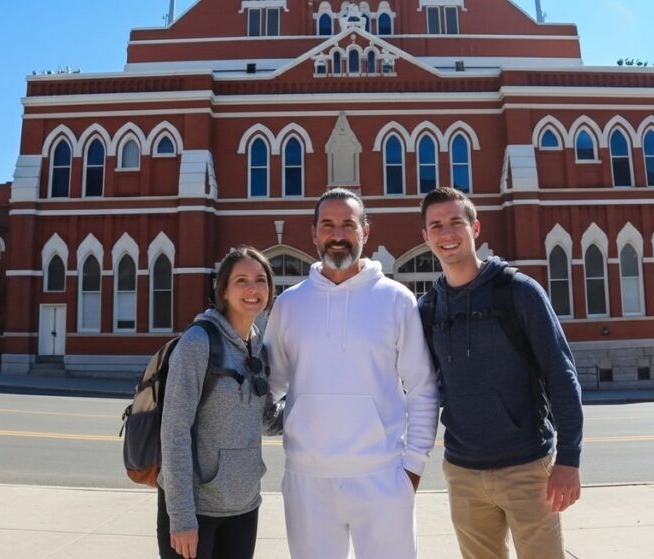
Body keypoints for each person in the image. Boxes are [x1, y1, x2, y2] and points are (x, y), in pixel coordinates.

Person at [265, 188, 440, 558]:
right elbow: (268, 388)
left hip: (382, 476)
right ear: (314, 233)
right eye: (328, 225)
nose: (338, 235)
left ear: (365, 231)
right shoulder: (289, 304)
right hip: (306, 479)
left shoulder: (395, 299)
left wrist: (412, 468)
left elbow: (422, 387)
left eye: (348, 224)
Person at [419, 187, 584, 559]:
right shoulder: (427, 309)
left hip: (527, 468)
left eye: (456, 222)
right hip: (462, 472)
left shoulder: (519, 292)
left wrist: (569, 458)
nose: (447, 234)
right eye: (437, 226)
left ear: (475, 228)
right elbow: (420, 386)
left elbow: (561, 374)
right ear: (425, 236)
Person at [159, 246, 275, 559]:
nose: (253, 289)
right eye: (241, 280)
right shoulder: (198, 343)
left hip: (244, 504)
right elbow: (174, 432)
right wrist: (181, 517)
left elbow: (264, 418)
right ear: (223, 289)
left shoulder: (257, 345)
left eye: (261, 280)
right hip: (197, 509)